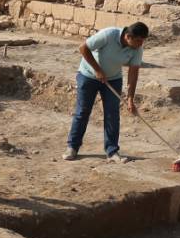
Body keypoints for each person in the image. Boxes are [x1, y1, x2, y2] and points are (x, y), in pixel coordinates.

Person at [62, 21, 148, 163]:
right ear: (128, 36)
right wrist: (97, 70)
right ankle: (72, 147)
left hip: (113, 79)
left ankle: (112, 151)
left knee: (112, 115)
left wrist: (130, 98)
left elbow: (133, 73)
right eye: (138, 40)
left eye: (143, 41)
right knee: (83, 111)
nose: (140, 44)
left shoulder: (137, 49)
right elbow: (83, 48)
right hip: (88, 76)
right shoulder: (109, 35)